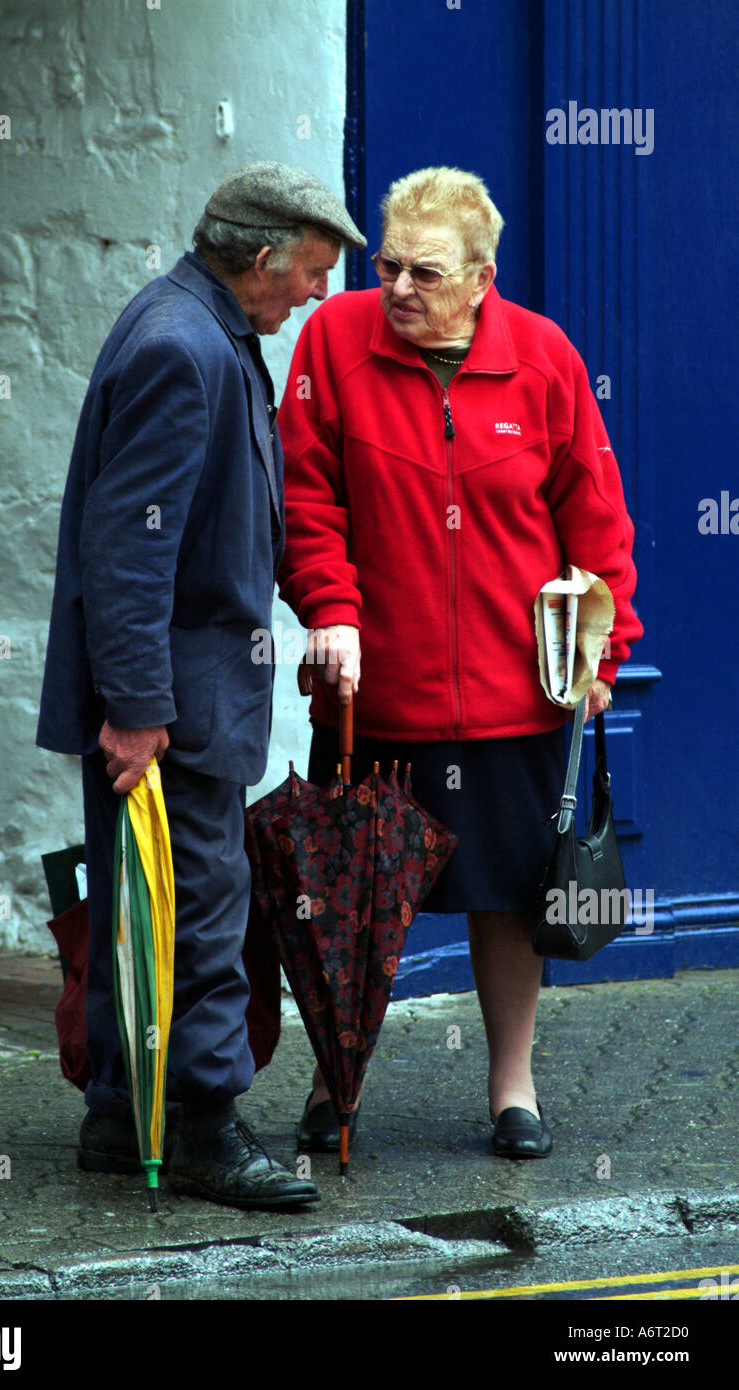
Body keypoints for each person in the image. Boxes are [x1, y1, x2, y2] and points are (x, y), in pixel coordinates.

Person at [277, 165, 643, 1160]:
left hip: (511, 694)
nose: (395, 289)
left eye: (423, 273)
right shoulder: (330, 345)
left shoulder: (542, 359)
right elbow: (304, 502)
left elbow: (592, 515)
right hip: (373, 692)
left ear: (481, 276)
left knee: (512, 893)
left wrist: (605, 646)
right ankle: (333, 1077)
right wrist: (330, 609)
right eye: (386, 265)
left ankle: (510, 1087)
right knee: (354, 893)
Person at [36, 162, 366, 1208]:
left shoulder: (199, 328)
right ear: (259, 257)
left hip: (171, 694)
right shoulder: (185, 348)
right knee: (203, 908)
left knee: (146, 904)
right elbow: (126, 552)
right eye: (307, 273)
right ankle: (205, 1128)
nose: (314, 295)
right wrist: (136, 711)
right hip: (171, 703)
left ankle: (115, 1114)